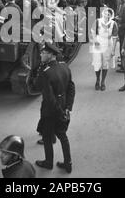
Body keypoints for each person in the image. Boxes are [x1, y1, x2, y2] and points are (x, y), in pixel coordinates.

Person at [36, 43, 75, 174]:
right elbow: (71, 87)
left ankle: (48, 163)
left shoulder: (46, 72)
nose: (41, 54)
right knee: (62, 135)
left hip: (51, 110)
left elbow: (49, 97)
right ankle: (68, 163)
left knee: (47, 137)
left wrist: (59, 112)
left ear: (51, 55)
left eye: (43, 53)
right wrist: (68, 107)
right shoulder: (64, 66)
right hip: (63, 105)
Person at [90, 7, 118, 91]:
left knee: (105, 63)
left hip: (108, 44)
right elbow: (93, 32)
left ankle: (103, 82)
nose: (107, 15)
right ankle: (97, 79)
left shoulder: (113, 23)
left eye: (109, 14)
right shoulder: (97, 21)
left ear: (111, 15)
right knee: (97, 62)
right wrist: (95, 41)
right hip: (98, 42)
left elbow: (115, 37)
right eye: (106, 13)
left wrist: (113, 50)